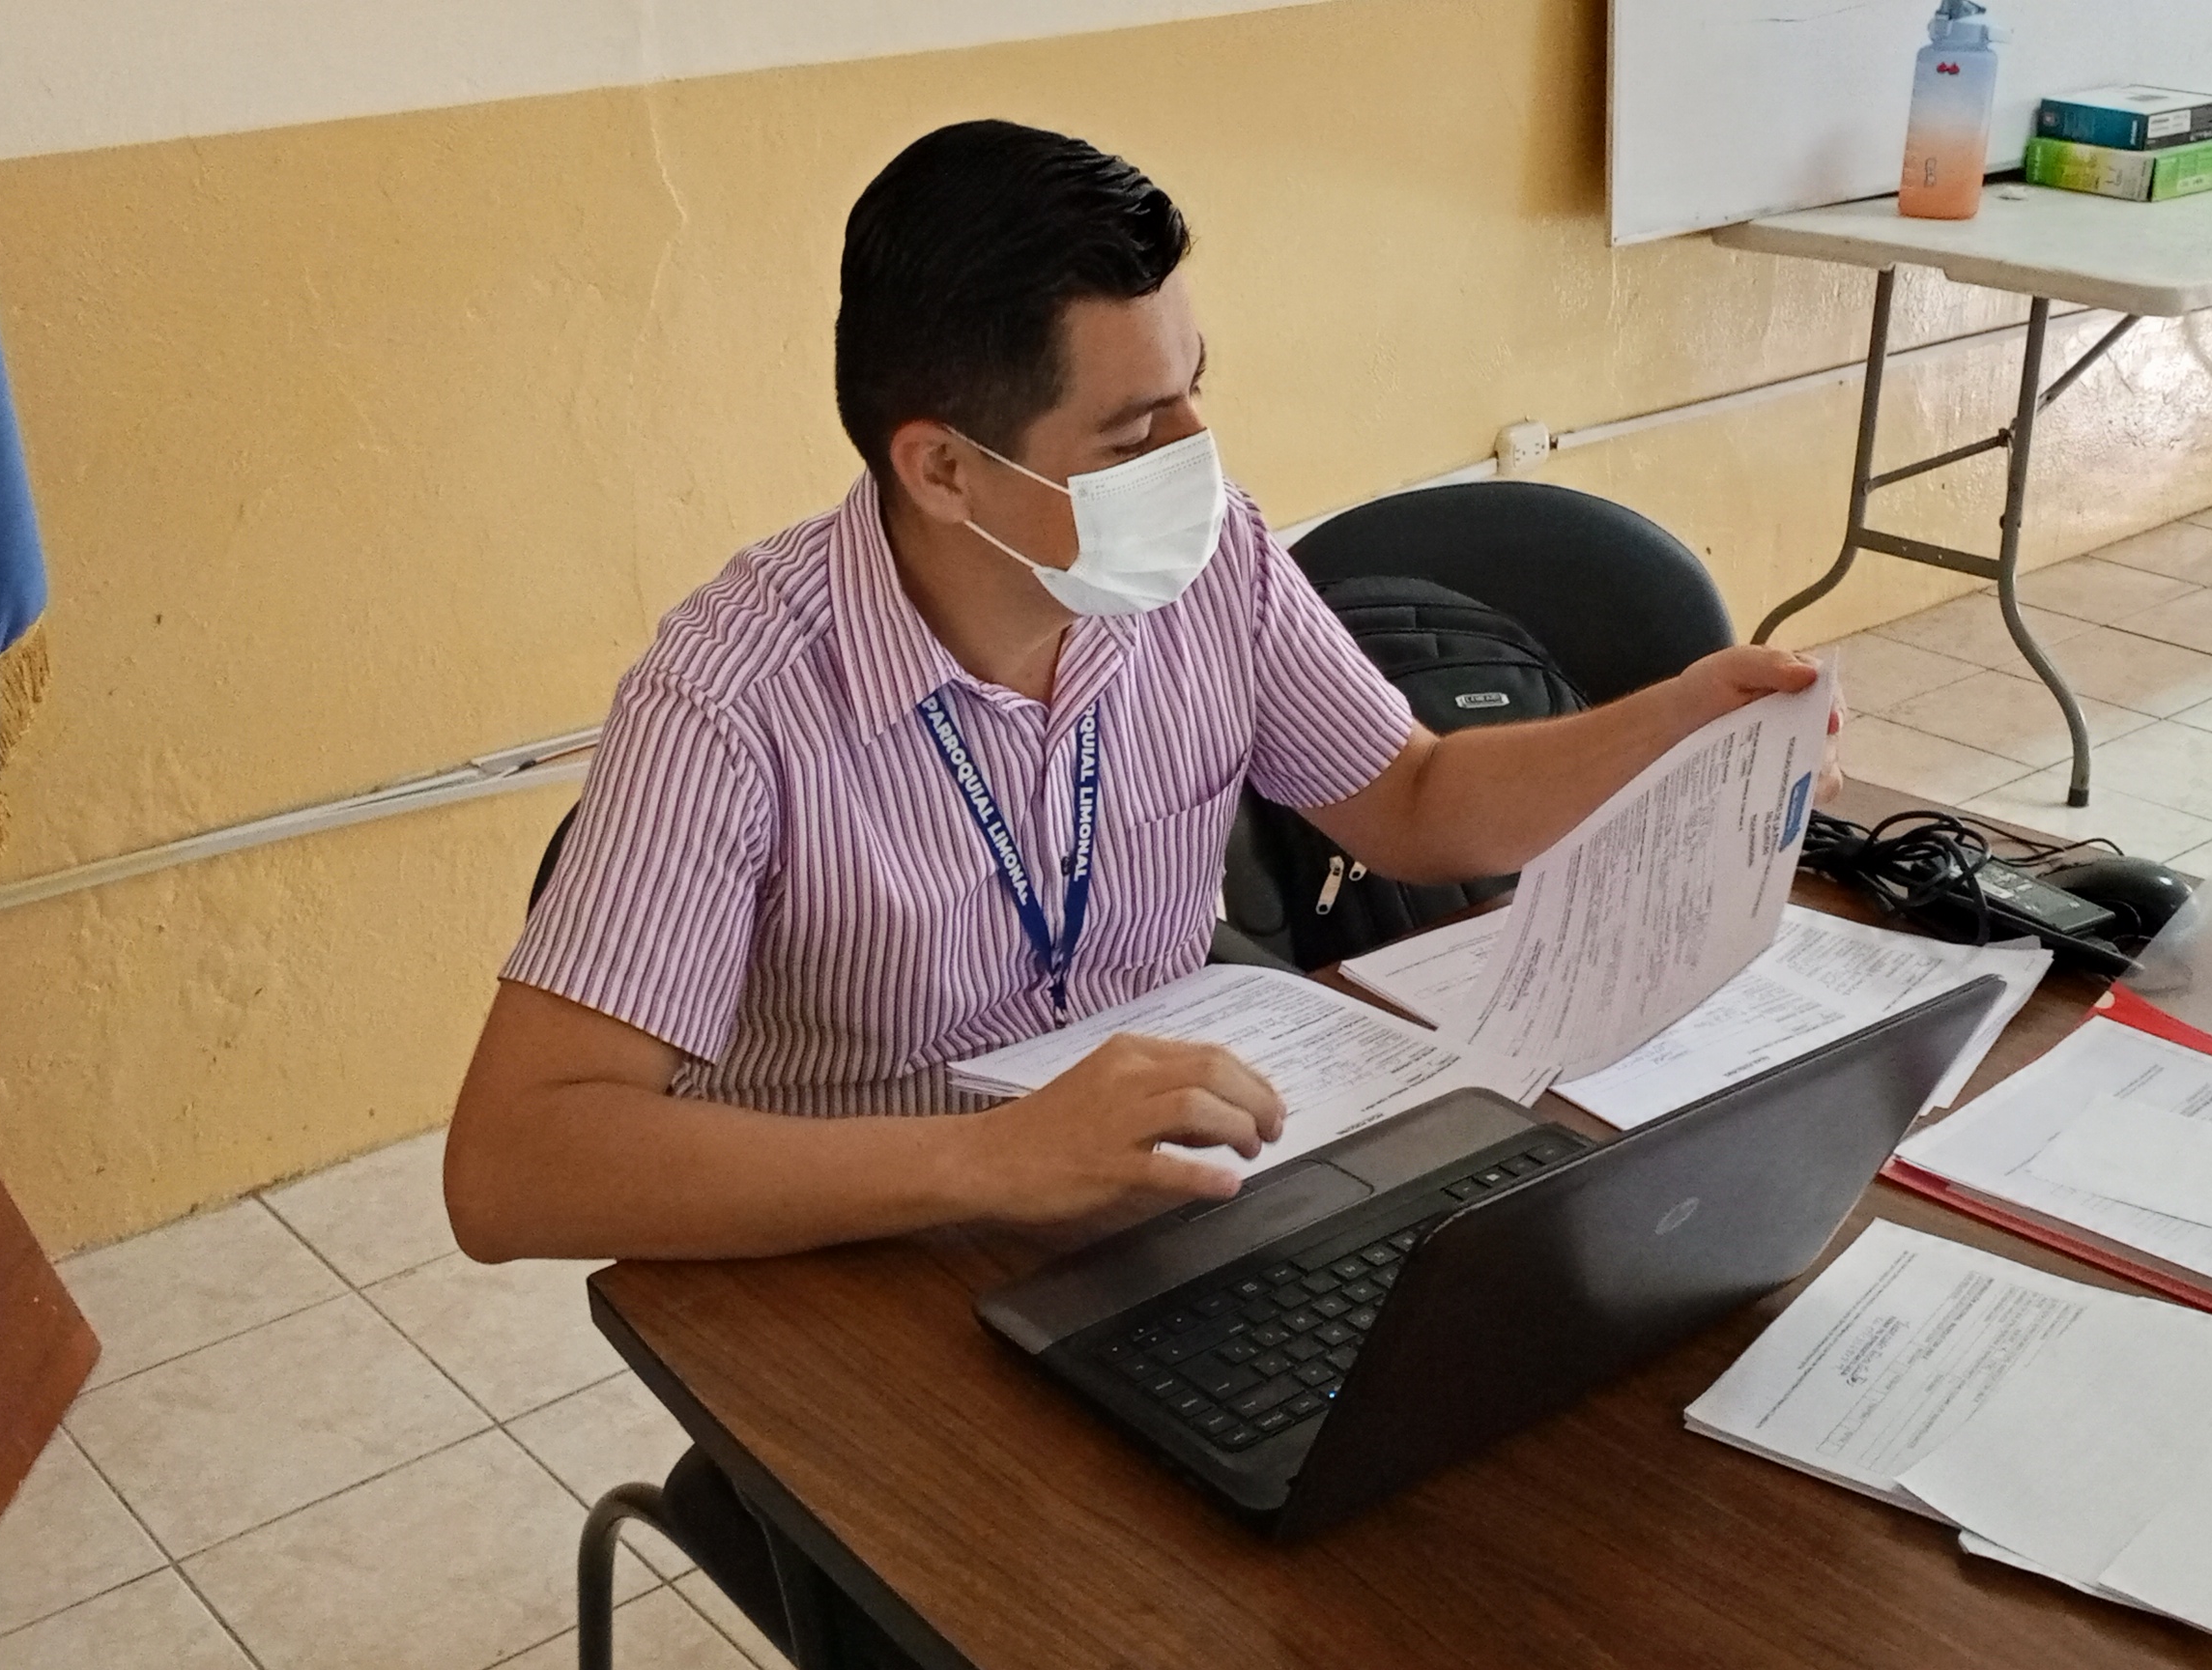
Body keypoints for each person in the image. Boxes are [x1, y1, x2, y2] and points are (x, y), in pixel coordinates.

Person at [439, 118, 1812, 1658]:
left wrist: (1672, 722)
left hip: (1179, 1216)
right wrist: (990, 1160)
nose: (1198, 456)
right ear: (944, 467)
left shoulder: (1207, 563)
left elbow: (1415, 799)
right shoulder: (732, 699)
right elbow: (514, 1169)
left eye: (1196, 391)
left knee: (1503, 1515)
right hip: (877, 1276)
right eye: (1135, 429)